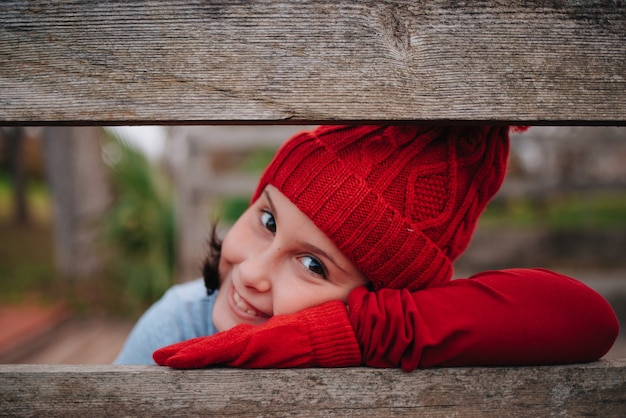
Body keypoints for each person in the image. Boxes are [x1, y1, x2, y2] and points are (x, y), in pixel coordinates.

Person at [115, 125, 619, 371]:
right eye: (268, 220)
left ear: (380, 298)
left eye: (313, 264)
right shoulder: (181, 322)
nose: (251, 274)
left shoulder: (389, 340)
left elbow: (590, 321)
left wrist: (360, 332)